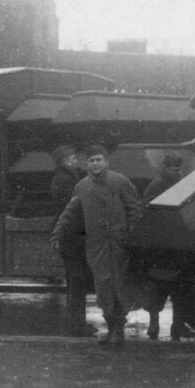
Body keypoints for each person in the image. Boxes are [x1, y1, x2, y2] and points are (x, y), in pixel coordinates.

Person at [51, 145, 142, 346]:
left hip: (118, 245)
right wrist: (58, 232)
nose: (95, 163)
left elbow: (134, 208)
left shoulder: (120, 182)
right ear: (86, 164)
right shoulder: (82, 186)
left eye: (99, 159)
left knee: (119, 284)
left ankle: (118, 330)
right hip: (97, 246)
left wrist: (131, 234)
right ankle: (111, 328)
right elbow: (70, 212)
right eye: (91, 161)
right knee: (103, 287)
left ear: (106, 161)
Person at [139, 152, 195, 341]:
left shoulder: (168, 184)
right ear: (165, 168)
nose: (179, 172)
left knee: (175, 288)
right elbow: (147, 208)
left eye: (180, 169)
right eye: (175, 169)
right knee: (162, 287)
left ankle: (174, 325)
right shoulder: (157, 185)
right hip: (162, 244)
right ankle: (158, 324)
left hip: (173, 243)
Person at [50, 145, 96, 337]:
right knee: (77, 282)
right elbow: (74, 209)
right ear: (64, 161)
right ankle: (74, 326)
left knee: (77, 282)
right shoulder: (66, 180)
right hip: (72, 237)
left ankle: (77, 323)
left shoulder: (67, 177)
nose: (76, 160)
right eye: (72, 158)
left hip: (71, 236)